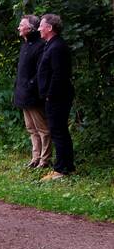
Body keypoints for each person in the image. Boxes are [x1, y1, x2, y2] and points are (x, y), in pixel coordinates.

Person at [37, 14, 75, 180]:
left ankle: (61, 170)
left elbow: (59, 75)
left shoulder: (57, 47)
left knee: (58, 132)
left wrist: (50, 95)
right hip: (55, 96)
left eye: (41, 26)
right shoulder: (51, 45)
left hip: (57, 97)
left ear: (49, 28)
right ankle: (67, 166)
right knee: (60, 131)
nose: (38, 28)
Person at [13, 15, 50, 168]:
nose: (19, 28)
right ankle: (35, 158)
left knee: (43, 129)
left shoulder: (40, 45)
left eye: (22, 25)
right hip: (22, 93)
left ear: (30, 28)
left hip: (33, 94)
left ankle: (45, 159)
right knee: (31, 129)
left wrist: (30, 85)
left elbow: (41, 71)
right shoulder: (25, 45)